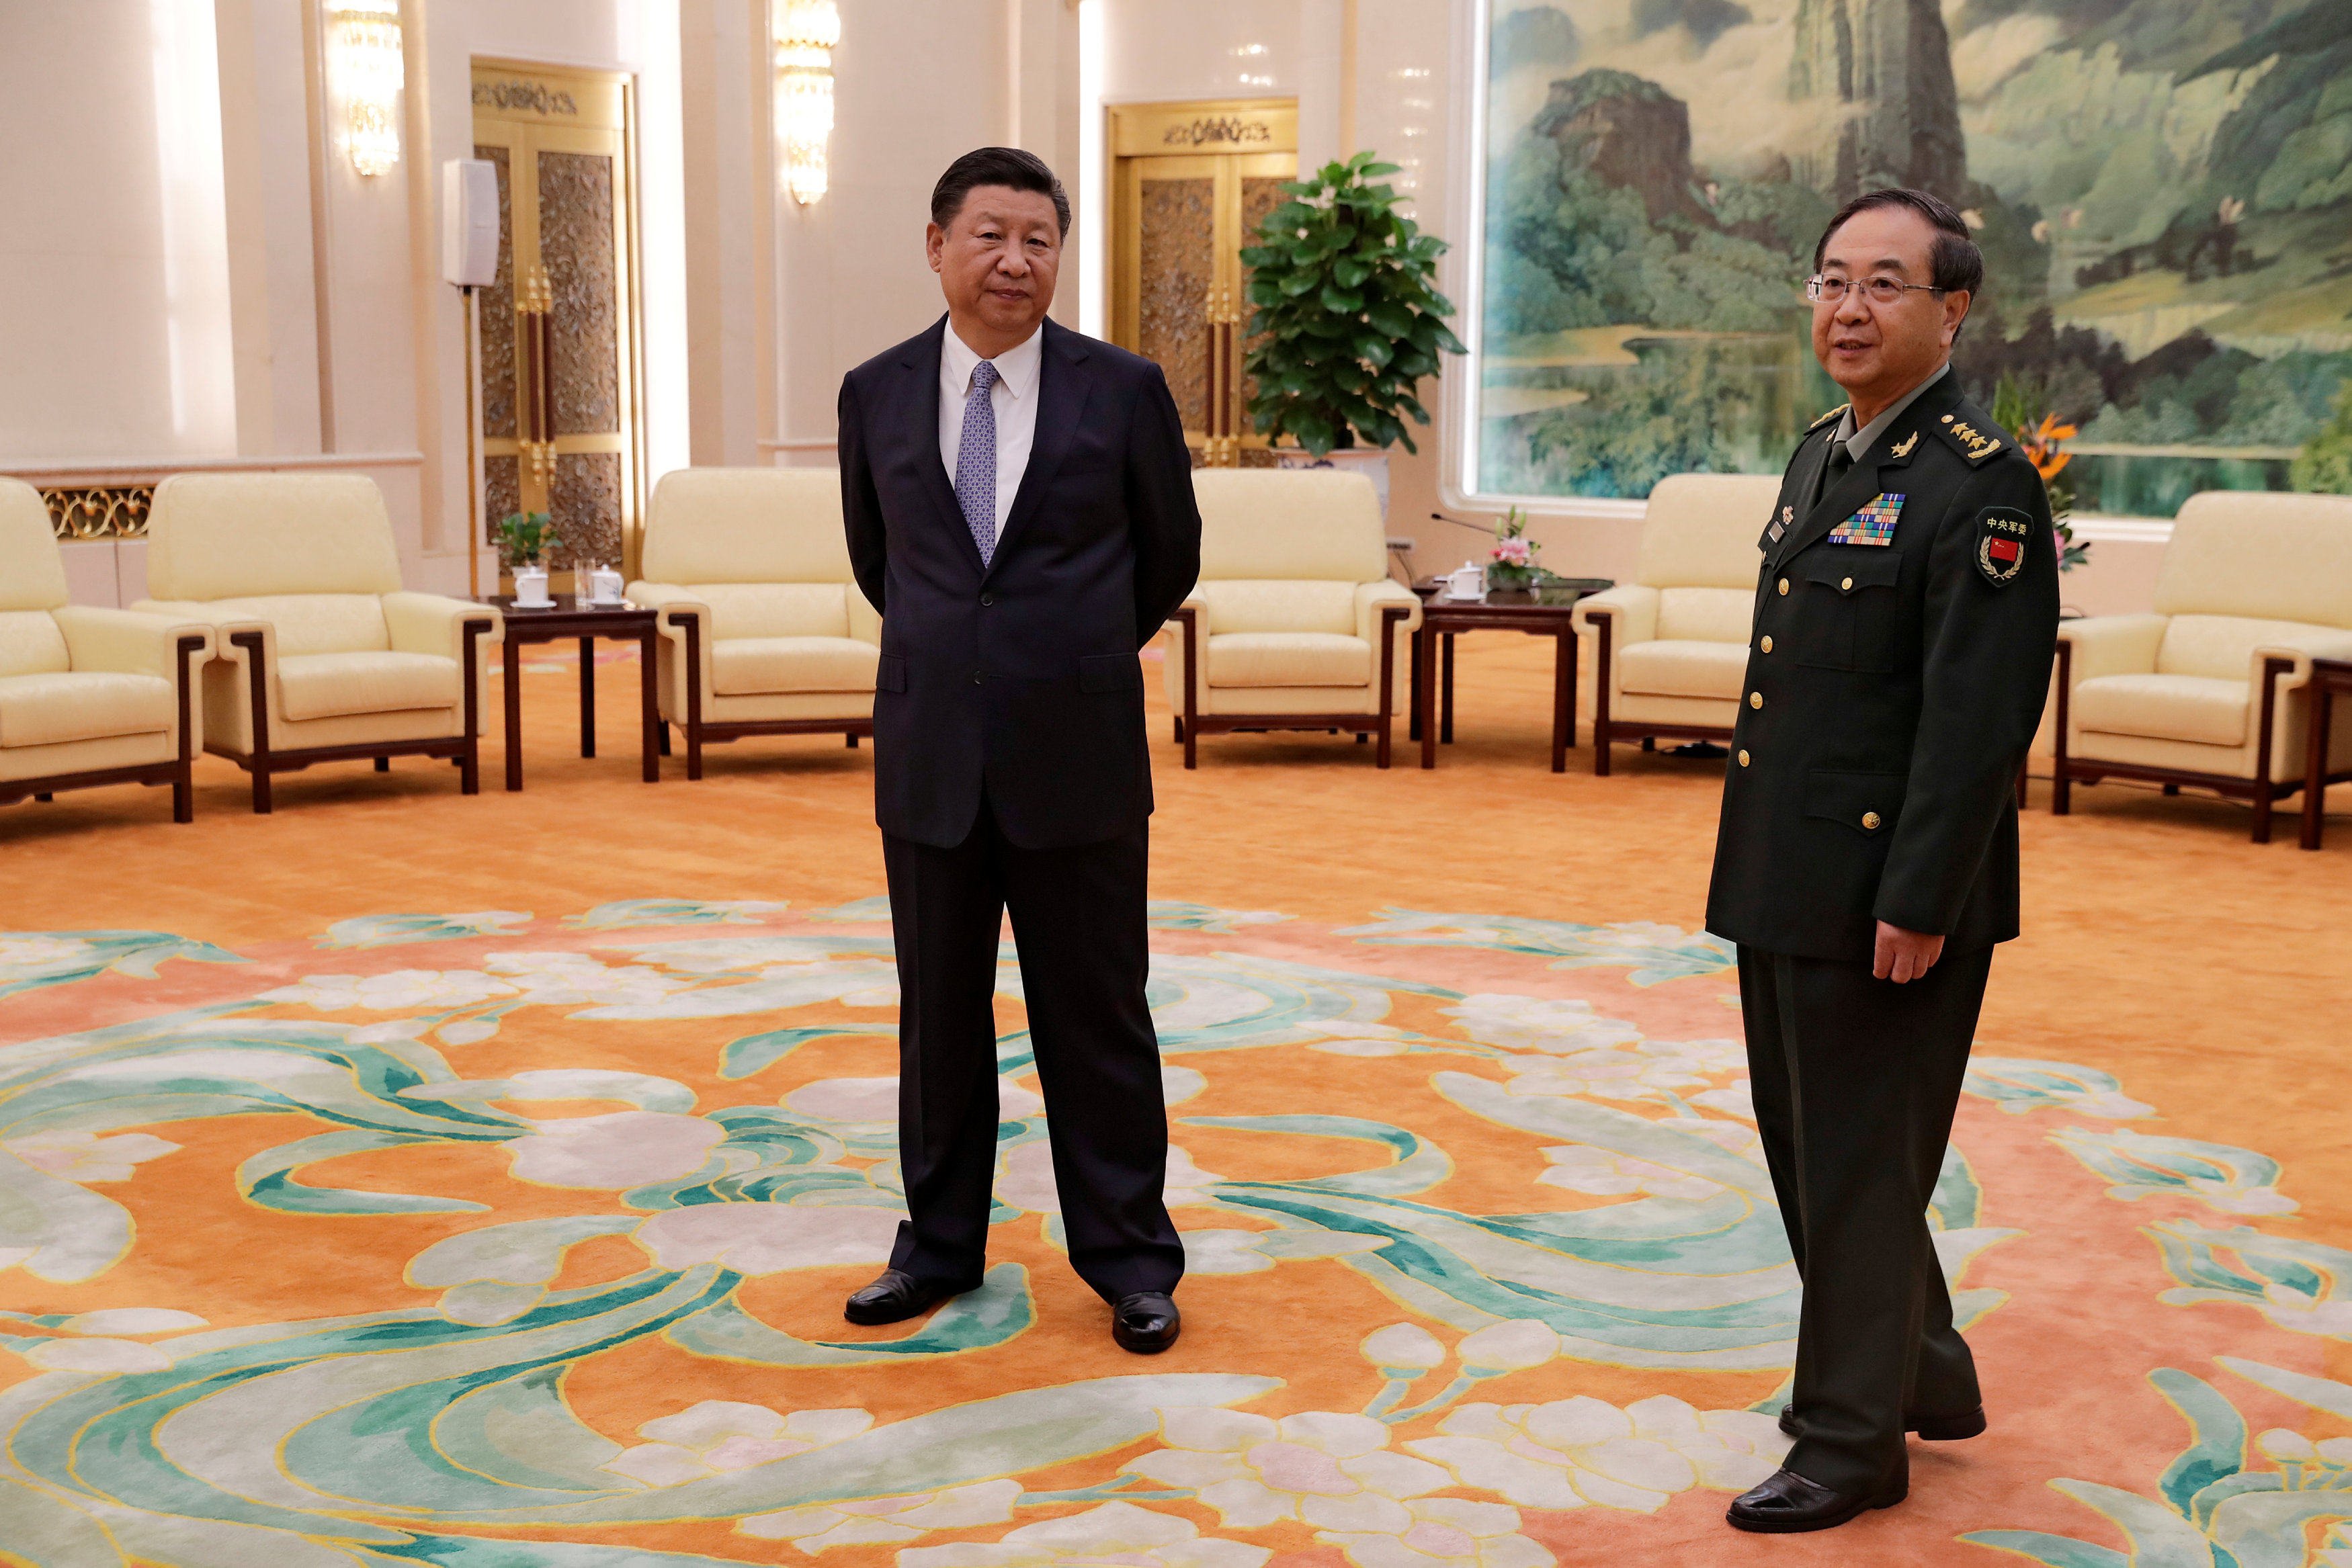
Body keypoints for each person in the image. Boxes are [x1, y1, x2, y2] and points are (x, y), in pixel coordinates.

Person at [1706, 188, 2060, 1532]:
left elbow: (1977, 725)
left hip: (1887, 896)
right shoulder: (1824, 455)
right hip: (1785, 873)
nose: (1848, 309)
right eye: (1832, 281)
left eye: (1884, 285)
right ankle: (1918, 1370)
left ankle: (1850, 1443)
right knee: (1812, 1149)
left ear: (1950, 310)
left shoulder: (1981, 482)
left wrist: (1919, 900)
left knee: (1859, 1165)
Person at [835, 147, 1202, 1353]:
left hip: (1078, 752)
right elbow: (882, 562)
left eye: (1039, 239)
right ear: (936, 245)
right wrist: (968, 653)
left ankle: (1131, 1259)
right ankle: (936, 1247)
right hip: (932, 753)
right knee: (937, 1019)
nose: (1015, 259)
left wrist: (1065, 651)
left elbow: (1169, 554)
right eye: (991, 234)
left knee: (1098, 1017)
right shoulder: (875, 392)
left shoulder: (1124, 389)